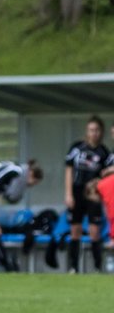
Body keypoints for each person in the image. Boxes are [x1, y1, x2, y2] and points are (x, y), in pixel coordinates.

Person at [63, 116, 110, 273]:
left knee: (94, 231)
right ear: (87, 131)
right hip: (76, 192)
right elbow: (69, 170)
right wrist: (68, 193)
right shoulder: (77, 148)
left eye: (97, 130)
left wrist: (96, 184)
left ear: (101, 132)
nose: (94, 133)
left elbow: (106, 174)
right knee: (75, 230)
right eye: (91, 130)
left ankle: (97, 267)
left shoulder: (104, 153)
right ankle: (73, 267)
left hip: (93, 195)